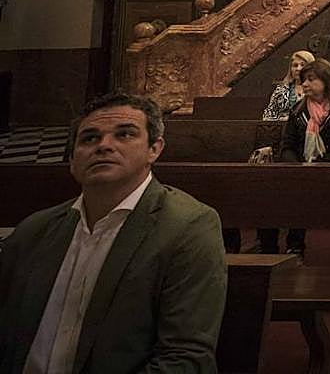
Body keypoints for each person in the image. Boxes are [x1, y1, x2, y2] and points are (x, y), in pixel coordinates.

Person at [0, 94, 226, 374]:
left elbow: (185, 358)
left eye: (125, 134)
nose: (104, 146)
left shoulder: (188, 226)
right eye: (89, 139)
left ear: (154, 149)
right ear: (72, 161)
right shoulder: (36, 230)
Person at [278, 58, 330, 254]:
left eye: (311, 80)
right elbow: (287, 145)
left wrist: (319, 164)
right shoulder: (298, 109)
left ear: (326, 81)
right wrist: (298, 166)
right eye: (304, 80)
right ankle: (289, 247)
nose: (304, 84)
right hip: (301, 169)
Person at [263, 49, 316, 120]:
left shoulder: (317, 89)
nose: (298, 68)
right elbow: (268, 116)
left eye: (302, 65)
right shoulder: (281, 90)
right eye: (295, 65)